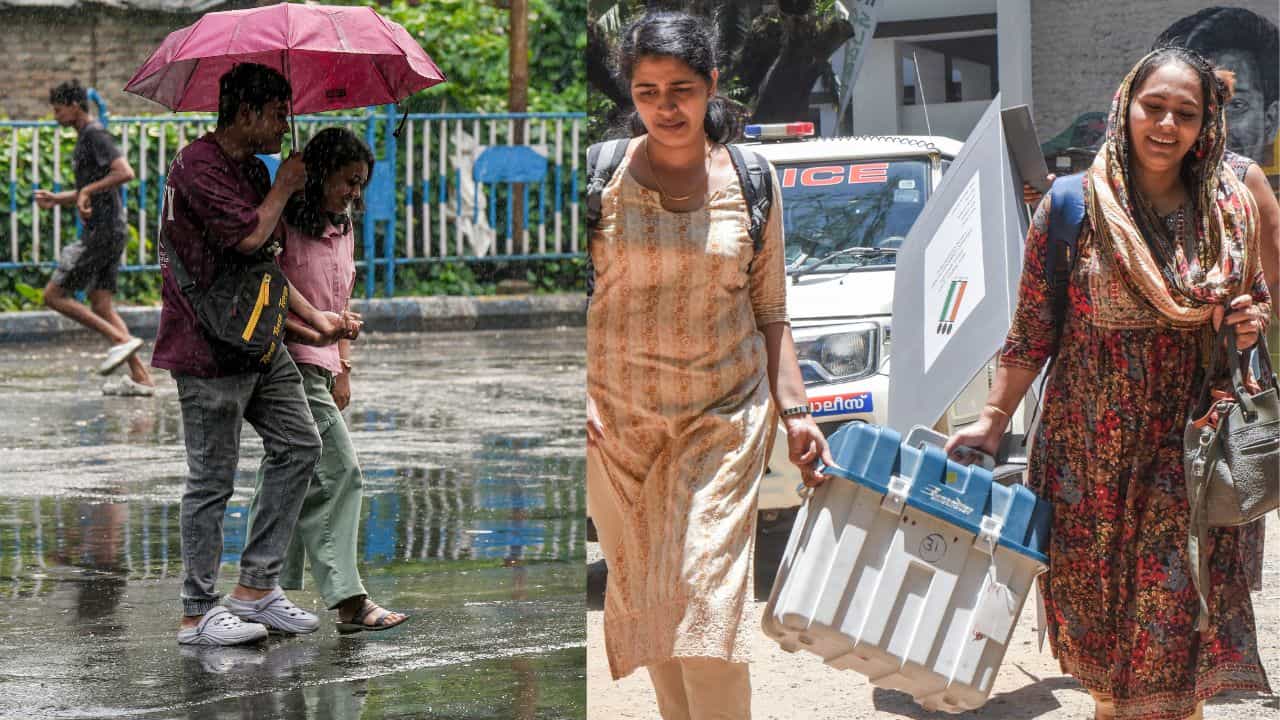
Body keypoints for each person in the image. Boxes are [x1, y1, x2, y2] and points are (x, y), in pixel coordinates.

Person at [947, 46, 1272, 720]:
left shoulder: (1227, 211)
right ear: (1127, 107)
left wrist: (1246, 323)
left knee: (1172, 659)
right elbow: (1032, 328)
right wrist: (992, 417)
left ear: (1205, 125)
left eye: (1185, 114)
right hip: (1084, 466)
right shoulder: (1072, 207)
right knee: (1105, 665)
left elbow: (1258, 299)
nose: (1166, 125)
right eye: (1155, 107)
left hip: (1187, 462)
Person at [585, 12, 833, 719]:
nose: (666, 107)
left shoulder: (751, 181)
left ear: (712, 86)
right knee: (652, 599)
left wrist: (799, 413)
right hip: (616, 430)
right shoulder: (601, 178)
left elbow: (772, 309)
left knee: (706, 603)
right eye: (648, 90)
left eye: (682, 89)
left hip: (722, 421)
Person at [153, 63, 354, 646]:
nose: (285, 124)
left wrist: (318, 321)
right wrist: (285, 186)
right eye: (278, 113)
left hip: (256, 339)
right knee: (212, 480)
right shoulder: (199, 166)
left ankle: (256, 588)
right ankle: (196, 613)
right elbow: (247, 235)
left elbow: (262, 260)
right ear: (247, 112)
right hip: (208, 346)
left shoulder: (243, 168)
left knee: (300, 443)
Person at [247, 127, 408, 633]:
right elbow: (269, 292)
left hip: (321, 365)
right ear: (317, 176)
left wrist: (342, 361)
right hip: (285, 364)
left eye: (361, 183)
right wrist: (316, 326)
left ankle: (262, 590)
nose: (354, 193)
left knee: (286, 476)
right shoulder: (284, 229)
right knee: (341, 473)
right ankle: (348, 601)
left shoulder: (343, 229)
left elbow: (337, 303)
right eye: (347, 182)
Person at [1155, 6, 1280, 313]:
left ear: (1270, 118)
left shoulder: (1244, 179)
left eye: (1236, 106)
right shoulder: (1123, 182)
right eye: (1197, 106)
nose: (1219, 123)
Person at [35, 80, 155, 396]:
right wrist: (59, 198)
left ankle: (121, 341)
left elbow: (125, 172)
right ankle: (142, 378)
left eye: (59, 109)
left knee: (54, 296)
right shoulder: (86, 137)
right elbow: (98, 184)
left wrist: (87, 190)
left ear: (75, 105)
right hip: (109, 228)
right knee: (102, 304)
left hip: (102, 231)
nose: (56, 116)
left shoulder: (94, 134)